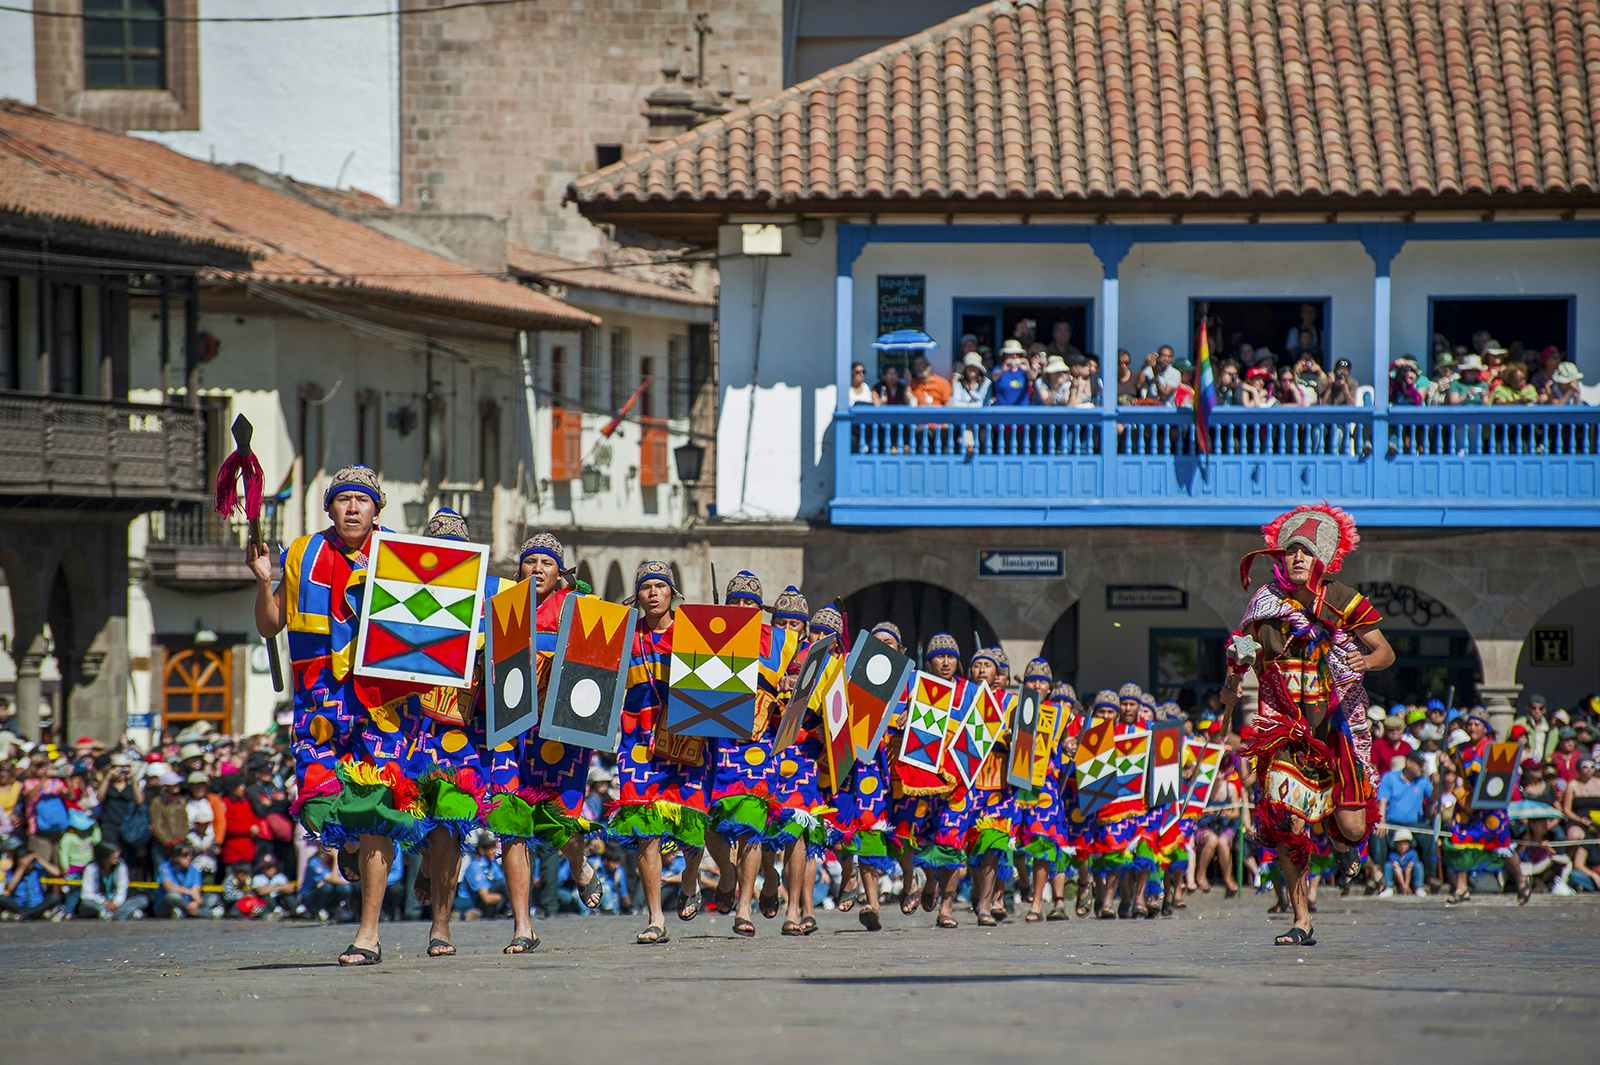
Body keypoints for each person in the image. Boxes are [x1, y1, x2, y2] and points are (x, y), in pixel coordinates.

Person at [249, 464, 421, 965]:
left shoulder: (404, 559)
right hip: (321, 700)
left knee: (377, 811)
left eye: (362, 501)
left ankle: (368, 934)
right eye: (343, 500)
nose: (352, 508)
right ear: (330, 508)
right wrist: (265, 582)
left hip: (384, 704)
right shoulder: (302, 552)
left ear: (376, 509)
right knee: (319, 800)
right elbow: (271, 623)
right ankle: (344, 842)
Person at [1222, 504, 1394, 946]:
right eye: (1289, 551)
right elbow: (1240, 655)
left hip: (1335, 724)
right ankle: (1302, 920)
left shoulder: (1343, 599)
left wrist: (1366, 660)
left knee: (1354, 826)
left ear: (1322, 559)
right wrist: (1233, 682)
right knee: (1287, 822)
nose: (1296, 558)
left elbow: (1384, 651)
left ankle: (1343, 844)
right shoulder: (1264, 604)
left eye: (1305, 552)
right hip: (1284, 727)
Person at [610, 560, 709, 945]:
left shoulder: (696, 634)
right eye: (646, 587)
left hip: (686, 739)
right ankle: (655, 917)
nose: (653, 592)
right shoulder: (622, 636)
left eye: (660, 586)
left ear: (672, 593)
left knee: (691, 831)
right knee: (645, 830)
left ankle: (690, 877)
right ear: (637, 595)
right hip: (637, 742)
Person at [1443, 714, 1532, 904]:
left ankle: (1522, 881)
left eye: (1477, 724)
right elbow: (1459, 777)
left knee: (1502, 845)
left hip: (1491, 808)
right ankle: (1461, 888)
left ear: (1485, 728)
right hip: (1467, 804)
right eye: (1469, 724)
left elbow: (1501, 779)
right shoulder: (1461, 750)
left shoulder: (1494, 750)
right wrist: (1447, 763)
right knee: (1461, 844)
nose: (1472, 727)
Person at [79, 841, 147, 920]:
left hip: (118, 903)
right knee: (85, 904)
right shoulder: (91, 868)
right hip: (100, 903)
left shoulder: (121, 866)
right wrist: (104, 902)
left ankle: (114, 914)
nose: (117, 858)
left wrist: (116, 903)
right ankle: (126, 913)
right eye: (114, 856)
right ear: (104, 856)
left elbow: (122, 888)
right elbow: (87, 893)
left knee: (143, 899)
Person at [157, 843, 221, 918]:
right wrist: (189, 893)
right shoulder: (165, 867)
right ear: (175, 857)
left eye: (191, 855)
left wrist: (196, 902)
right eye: (185, 855)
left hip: (189, 902)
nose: (189, 857)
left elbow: (196, 891)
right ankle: (204, 913)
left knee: (213, 897)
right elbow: (169, 887)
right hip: (168, 904)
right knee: (173, 896)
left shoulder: (194, 869)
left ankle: (184, 912)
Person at [1379, 829, 1425, 897]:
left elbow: (1408, 870)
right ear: (1396, 844)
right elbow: (1398, 871)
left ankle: (1418, 887)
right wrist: (1404, 886)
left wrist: (1406, 885)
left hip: (1410, 876)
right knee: (1388, 865)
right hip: (1397, 876)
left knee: (1419, 865)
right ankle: (1389, 888)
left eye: (1405, 844)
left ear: (1409, 844)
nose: (1403, 846)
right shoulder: (1393, 855)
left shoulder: (1413, 853)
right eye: (1400, 844)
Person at [991, 340, 1035, 406]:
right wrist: (1004, 369)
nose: (1014, 356)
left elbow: (1032, 377)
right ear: (1004, 355)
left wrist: (1027, 366)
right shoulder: (999, 368)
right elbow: (994, 378)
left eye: (1017, 354)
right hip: (1002, 411)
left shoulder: (1024, 369)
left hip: (1022, 411)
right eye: (1011, 354)